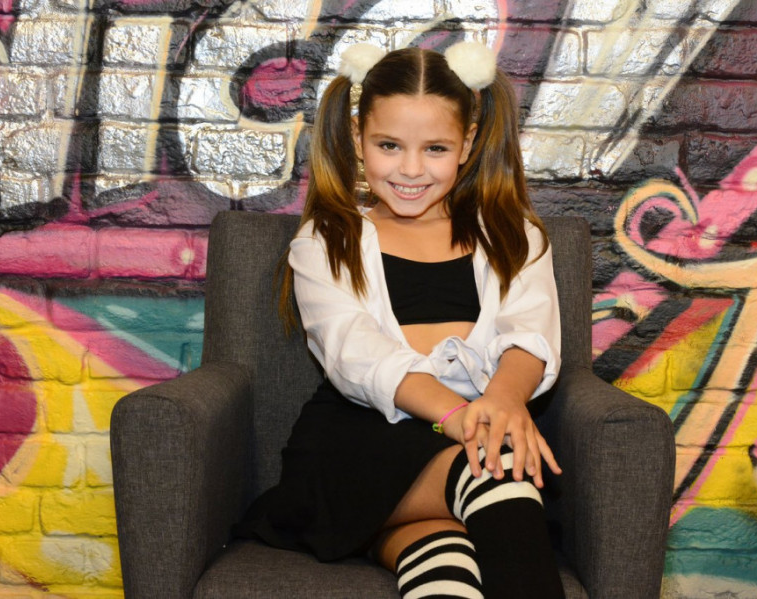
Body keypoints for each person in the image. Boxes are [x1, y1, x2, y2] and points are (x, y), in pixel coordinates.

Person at [234, 41, 566, 599]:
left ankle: (394, 535)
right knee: (496, 463)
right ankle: (401, 514)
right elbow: (358, 355)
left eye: (435, 148)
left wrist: (505, 402)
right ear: (359, 138)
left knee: (445, 577)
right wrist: (465, 419)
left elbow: (529, 334)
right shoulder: (327, 239)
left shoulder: (516, 234)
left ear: (467, 144)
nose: (411, 169)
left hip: (462, 447)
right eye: (389, 145)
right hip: (356, 447)